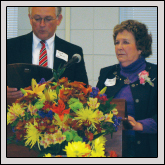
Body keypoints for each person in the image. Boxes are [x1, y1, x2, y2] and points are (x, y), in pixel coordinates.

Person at [96, 20, 157, 157]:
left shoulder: (157, 74)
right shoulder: (107, 73)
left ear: (140, 47)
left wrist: (140, 125)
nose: (119, 47)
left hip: (144, 148)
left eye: (125, 42)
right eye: (117, 42)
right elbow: (95, 107)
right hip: (109, 146)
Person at [7, 7, 88, 101]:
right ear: (30, 19)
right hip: (17, 112)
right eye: (37, 19)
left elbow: (83, 90)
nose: (42, 24)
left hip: (59, 113)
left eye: (48, 19)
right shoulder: (9, 47)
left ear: (59, 19)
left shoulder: (73, 52)